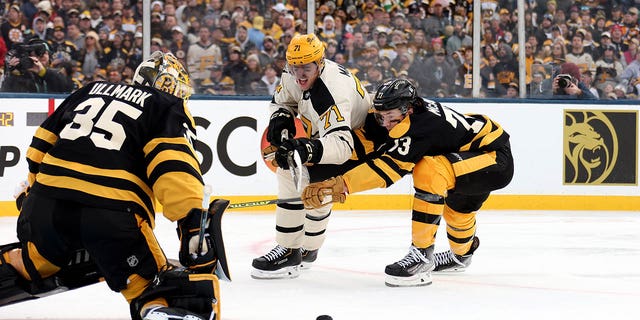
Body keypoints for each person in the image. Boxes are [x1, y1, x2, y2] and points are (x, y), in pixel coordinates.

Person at [0, 51, 226, 320]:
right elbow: (173, 169)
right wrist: (192, 221)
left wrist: (33, 196)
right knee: (151, 284)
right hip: (111, 213)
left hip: (46, 206)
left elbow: (39, 148)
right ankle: (157, 308)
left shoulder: (90, 89)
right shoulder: (166, 107)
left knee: (33, 262)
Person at [301, 79, 514, 287]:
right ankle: (462, 256)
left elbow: (388, 169)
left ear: (408, 109)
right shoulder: (398, 115)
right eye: (381, 117)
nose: (384, 123)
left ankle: (422, 254)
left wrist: (342, 184)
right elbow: (370, 145)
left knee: (429, 170)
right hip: (466, 152)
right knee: (459, 212)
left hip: (493, 158)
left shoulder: (421, 127)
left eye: (390, 117)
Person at [251, 33, 372, 279]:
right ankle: (308, 251)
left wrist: (307, 149)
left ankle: (289, 250)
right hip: (332, 135)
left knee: (297, 174)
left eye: (306, 68)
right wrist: (281, 117)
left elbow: (342, 146)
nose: (299, 75)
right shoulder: (293, 70)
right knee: (317, 190)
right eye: (295, 67)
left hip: (361, 140)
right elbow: (283, 101)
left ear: (321, 62)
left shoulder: (331, 92)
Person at [1, 38, 73, 93]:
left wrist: (44, 72)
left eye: (43, 54)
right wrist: (12, 73)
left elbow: (67, 87)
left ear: (50, 57)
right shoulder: (22, 75)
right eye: (34, 54)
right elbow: (7, 96)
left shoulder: (58, 74)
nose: (39, 57)